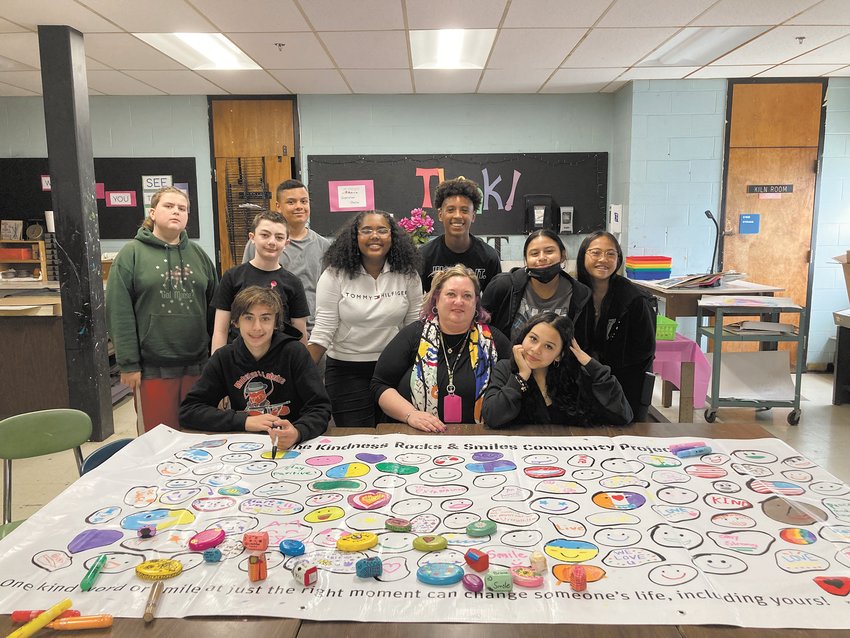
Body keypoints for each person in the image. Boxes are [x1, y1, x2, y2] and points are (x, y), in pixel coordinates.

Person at [106, 186, 217, 433]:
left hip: (198, 367)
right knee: (157, 441)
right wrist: (128, 363)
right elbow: (119, 312)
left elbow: (215, 311)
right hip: (151, 370)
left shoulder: (199, 256)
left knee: (199, 438)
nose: (176, 211)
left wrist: (216, 359)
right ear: (153, 213)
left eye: (182, 208)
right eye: (169, 206)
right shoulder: (130, 255)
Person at [308, 210, 422, 427]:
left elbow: (415, 327)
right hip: (346, 371)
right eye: (366, 230)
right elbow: (323, 330)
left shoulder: (408, 274)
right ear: (354, 237)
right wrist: (298, 373)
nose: (375, 236)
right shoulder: (334, 275)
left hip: (394, 370)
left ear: (393, 236)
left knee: (395, 436)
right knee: (356, 439)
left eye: (382, 230)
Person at [179, 286, 330, 447]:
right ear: (236, 321)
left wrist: (298, 432)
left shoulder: (295, 353)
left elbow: (320, 408)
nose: (257, 327)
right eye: (249, 318)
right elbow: (189, 410)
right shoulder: (224, 358)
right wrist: (245, 421)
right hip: (243, 444)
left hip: (293, 446)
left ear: (276, 323)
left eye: (265, 318)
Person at [372, 264, 512, 432]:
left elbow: (515, 384)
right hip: (417, 437)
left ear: (476, 301)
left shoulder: (494, 341)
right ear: (436, 298)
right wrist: (411, 415)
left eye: (467, 295)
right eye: (451, 294)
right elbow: (380, 385)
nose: (459, 301)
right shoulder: (413, 335)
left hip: (479, 438)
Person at [482, 312, 632, 428]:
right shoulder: (505, 368)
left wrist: (590, 363)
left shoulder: (574, 375)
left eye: (549, 346)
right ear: (523, 337)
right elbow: (492, 418)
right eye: (533, 339)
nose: (536, 350)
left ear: (559, 355)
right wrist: (521, 377)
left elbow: (623, 416)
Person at [576, 231, 656, 422]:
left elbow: (644, 350)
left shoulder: (634, 299)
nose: (603, 259)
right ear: (583, 256)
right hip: (581, 383)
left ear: (618, 259)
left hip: (624, 387)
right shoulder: (574, 292)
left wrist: (602, 370)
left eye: (611, 254)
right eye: (595, 253)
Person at [242, 179, 330, 336]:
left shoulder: (324, 246)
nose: (299, 207)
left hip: (314, 332)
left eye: (304, 201)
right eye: (291, 202)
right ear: (278, 206)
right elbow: (246, 288)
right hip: (269, 331)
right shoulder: (259, 244)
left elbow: (329, 293)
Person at [213, 210, 309, 352]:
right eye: (265, 235)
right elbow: (220, 330)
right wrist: (217, 368)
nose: (271, 242)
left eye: (279, 237)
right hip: (239, 359)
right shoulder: (232, 277)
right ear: (252, 237)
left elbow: (300, 334)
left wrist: (302, 369)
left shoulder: (293, 283)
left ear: (286, 242)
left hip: (279, 360)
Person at [481, 229, 591, 345]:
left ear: (562, 255)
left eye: (549, 251)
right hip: (509, 361)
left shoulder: (581, 295)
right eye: (534, 253)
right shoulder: (502, 286)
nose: (542, 258)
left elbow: (582, 344)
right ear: (526, 260)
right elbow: (481, 328)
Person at [418, 177, 501, 293]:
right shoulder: (424, 256)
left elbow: (494, 304)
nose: (457, 216)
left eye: (464, 210)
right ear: (440, 214)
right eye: (451, 210)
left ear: (473, 216)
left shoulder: (489, 257)